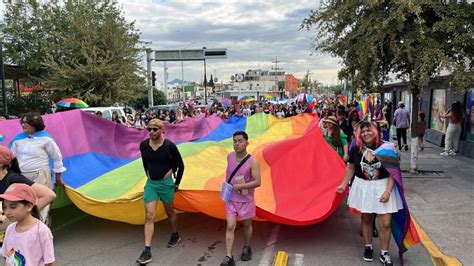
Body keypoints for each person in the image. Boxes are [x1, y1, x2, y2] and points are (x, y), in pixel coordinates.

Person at [336, 121, 404, 266]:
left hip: (383, 186)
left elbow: (394, 173)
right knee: (366, 219)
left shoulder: (386, 148)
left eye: (369, 130)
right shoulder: (356, 148)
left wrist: (388, 191)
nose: (366, 133)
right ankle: (368, 247)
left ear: (376, 131)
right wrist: (343, 184)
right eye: (363, 131)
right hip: (363, 187)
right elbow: (350, 168)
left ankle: (384, 253)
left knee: (385, 223)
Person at [136, 119, 185, 265]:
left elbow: (181, 166)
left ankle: (175, 234)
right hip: (151, 184)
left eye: (154, 129)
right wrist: (149, 176)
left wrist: (176, 183)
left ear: (161, 130)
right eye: (149, 129)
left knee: (170, 212)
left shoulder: (169, 146)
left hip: (166, 184)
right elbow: (145, 162)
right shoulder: (144, 145)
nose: (151, 132)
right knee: (149, 216)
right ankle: (147, 250)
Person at [220, 131, 261, 266]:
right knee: (230, 225)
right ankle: (228, 256)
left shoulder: (252, 161)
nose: (236, 144)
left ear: (247, 143)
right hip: (231, 199)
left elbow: (258, 182)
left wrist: (242, 186)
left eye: (240, 141)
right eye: (235, 141)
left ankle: (247, 247)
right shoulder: (229, 157)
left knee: (247, 224)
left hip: (246, 200)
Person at [0, 183, 56, 265]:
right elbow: (8, 258)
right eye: (5, 207)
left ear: (29, 206)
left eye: (13, 207)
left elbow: (50, 262)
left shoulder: (41, 231)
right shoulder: (10, 229)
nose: (7, 212)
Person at [9, 112, 66, 189]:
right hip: (20, 176)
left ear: (36, 124)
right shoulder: (17, 139)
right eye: (22, 122)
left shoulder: (46, 139)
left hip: (40, 176)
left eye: (26, 122)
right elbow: (11, 156)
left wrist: (58, 178)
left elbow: (57, 158)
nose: (23, 125)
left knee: (40, 199)